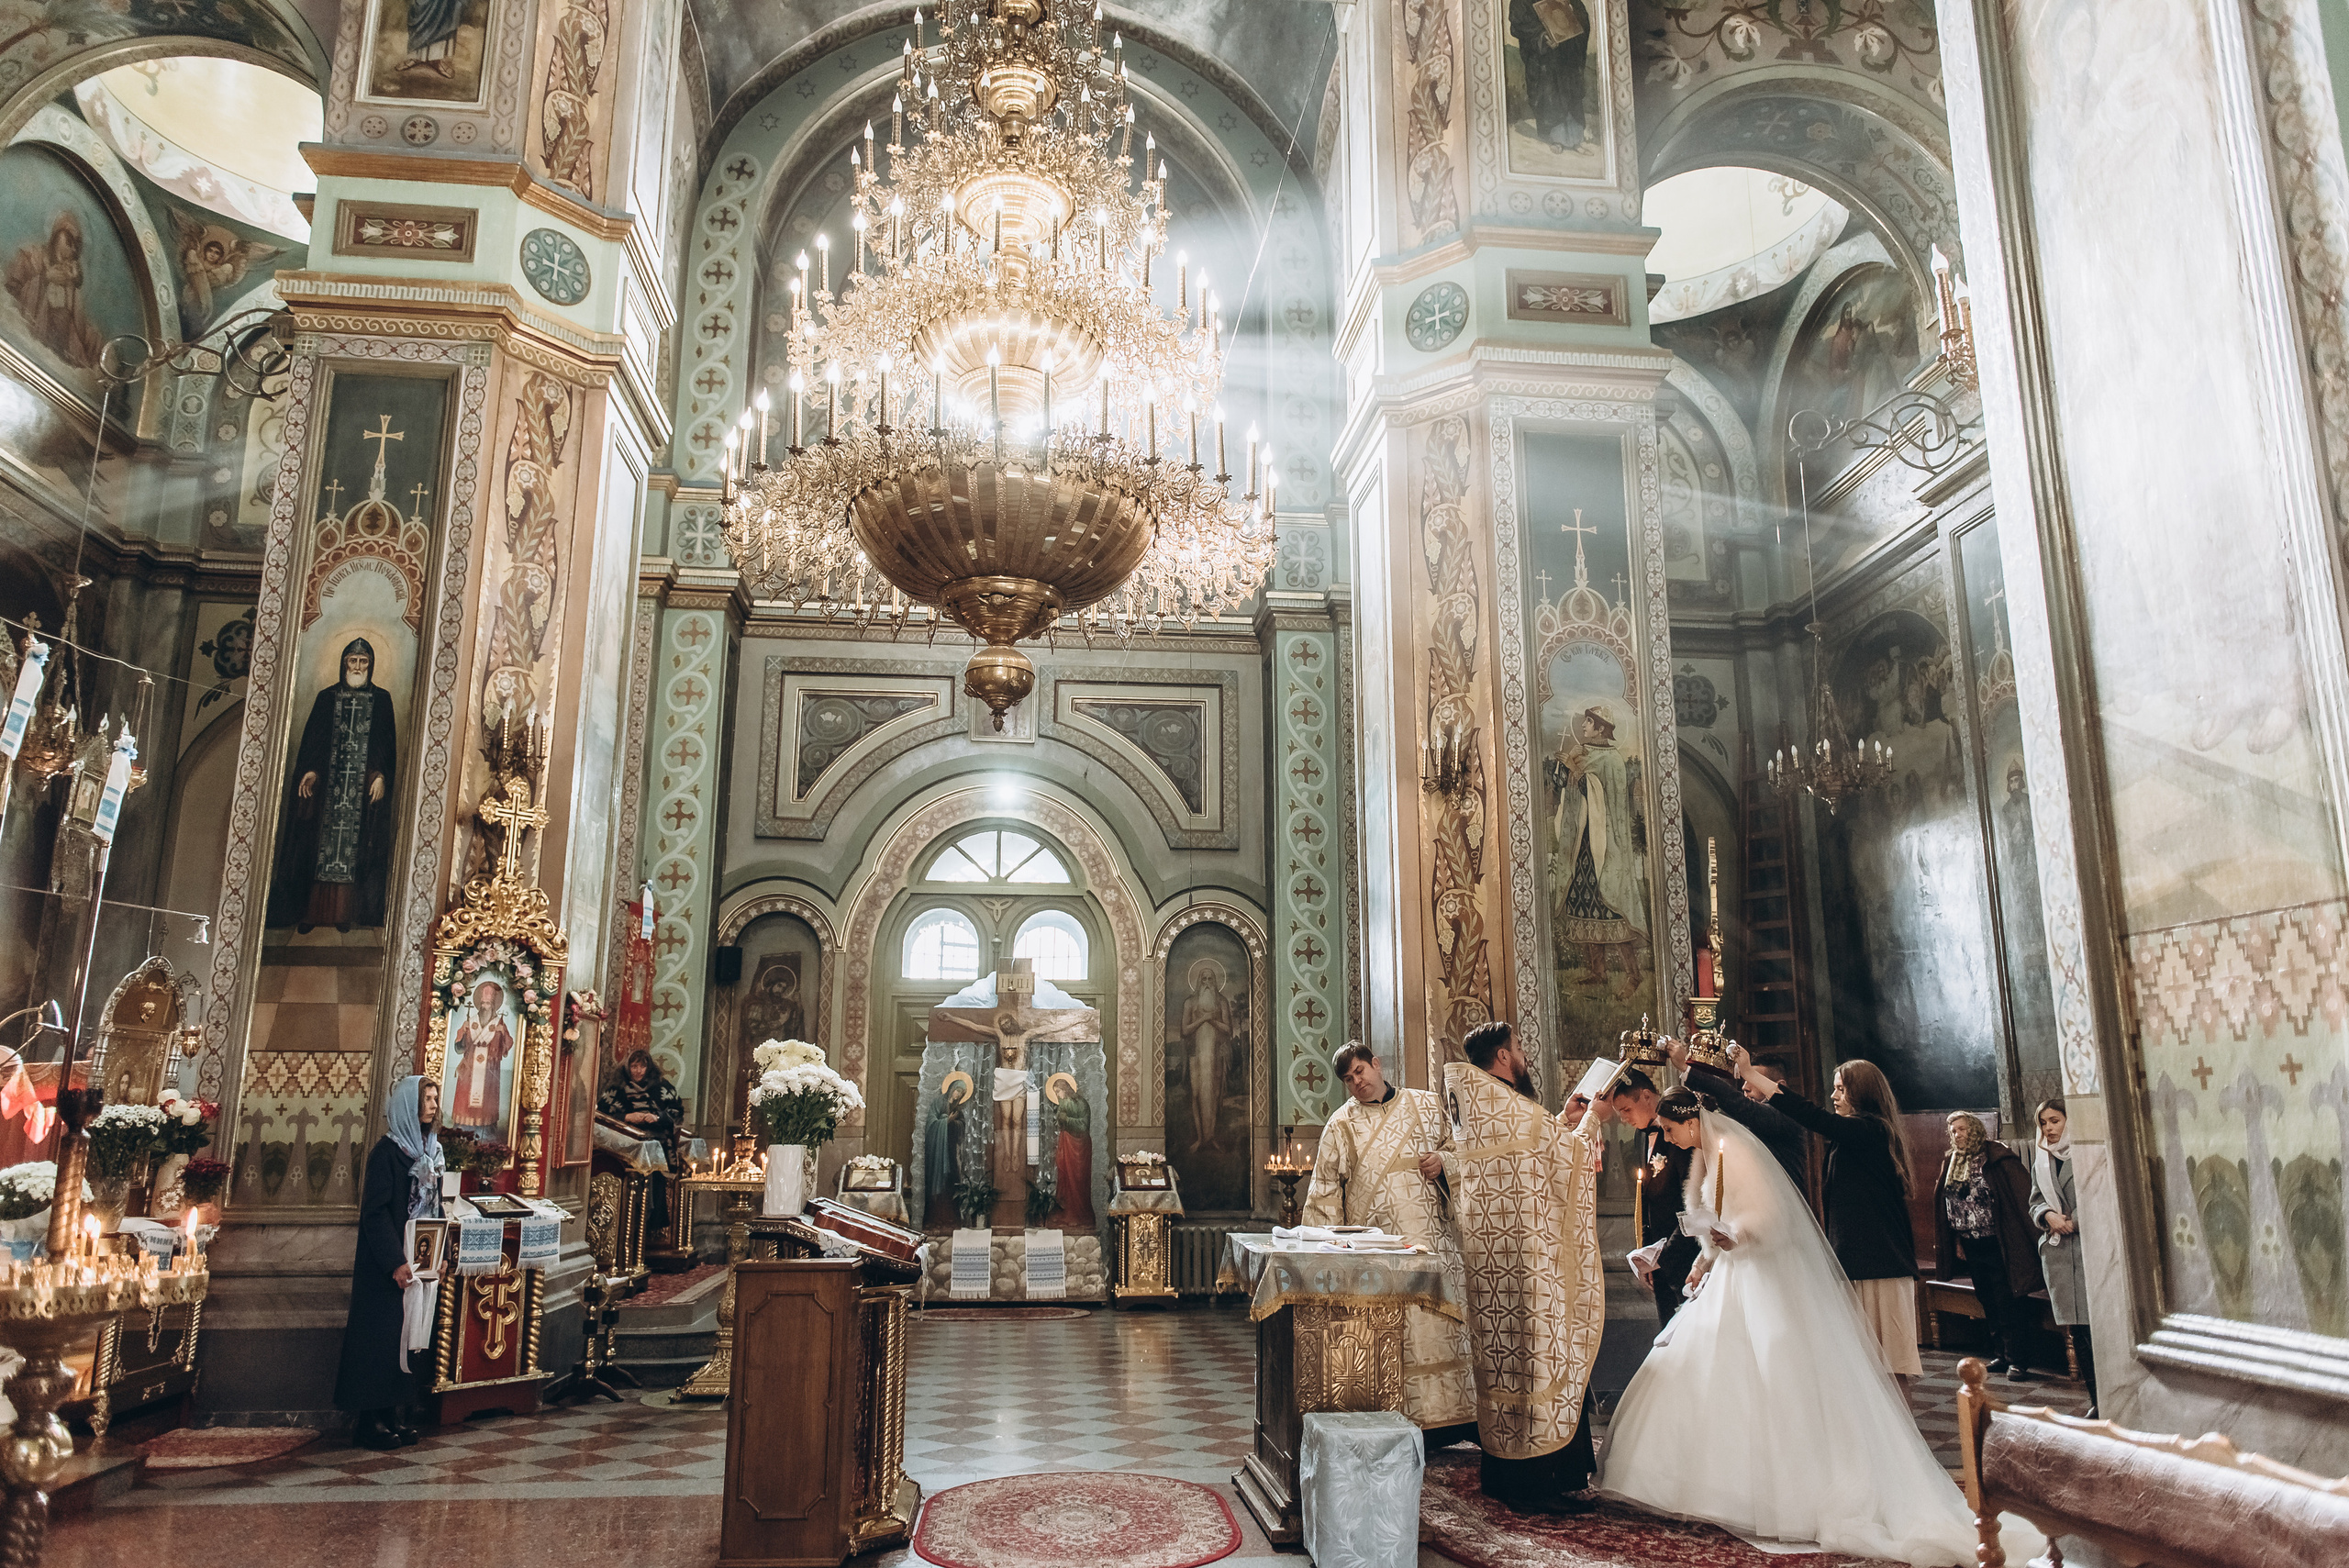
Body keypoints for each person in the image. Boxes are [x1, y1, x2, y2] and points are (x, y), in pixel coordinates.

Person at [1600, 1094, 1979, 1565]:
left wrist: (1734, 1237)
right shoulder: (1703, 1156)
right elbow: (1714, 1220)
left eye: (1672, 1129)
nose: (1669, 1138)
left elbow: (1765, 1217)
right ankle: (1707, 1486)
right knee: (1696, 1365)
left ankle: (1778, 1492)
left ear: (1692, 1121)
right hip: (1731, 1274)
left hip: (1762, 1278)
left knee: (1772, 1370)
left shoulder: (1735, 1153)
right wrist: (1704, 1259)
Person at [1444, 1020, 1608, 1515]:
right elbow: (1568, 1162)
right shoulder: (1516, 1110)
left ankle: (1506, 1475)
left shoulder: (1475, 1111)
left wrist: (1562, 1117)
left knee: (1505, 1366)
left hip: (1494, 1270)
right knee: (1541, 1356)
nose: (1524, 1056)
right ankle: (1542, 1483)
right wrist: (1593, 1119)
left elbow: (1533, 1156)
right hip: (1533, 1271)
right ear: (1500, 1058)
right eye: (1518, 1048)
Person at [1301, 1041, 1476, 1443]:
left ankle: (1456, 1420)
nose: (1357, 1082)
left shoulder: (1428, 1105)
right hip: (1379, 1256)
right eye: (1348, 1079)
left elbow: (1464, 1151)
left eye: (1360, 1071)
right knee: (1397, 1338)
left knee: (1441, 1330)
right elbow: (1326, 1194)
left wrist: (1444, 1164)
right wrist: (1333, 1255)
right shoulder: (1341, 1125)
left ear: (1376, 1065)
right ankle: (1400, 1422)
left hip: (1434, 1246)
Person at [1740, 1055, 1923, 1391]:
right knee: (1861, 1364)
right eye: (1834, 1089)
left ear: (1863, 1093)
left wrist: (1752, 1074)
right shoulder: (1851, 1135)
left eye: (1841, 1089)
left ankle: (1901, 1441)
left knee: (1890, 1367)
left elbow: (1813, 1117)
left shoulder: (1871, 1130)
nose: (1834, 1096)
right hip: (1856, 1261)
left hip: (1882, 1265)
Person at [334, 1073, 444, 1451]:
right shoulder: (387, 1152)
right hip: (386, 1267)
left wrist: (437, 1256)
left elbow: (434, 1208)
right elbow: (376, 1213)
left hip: (418, 1263)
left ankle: (394, 1413)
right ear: (407, 1106)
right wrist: (395, 1262)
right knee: (379, 1341)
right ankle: (369, 1421)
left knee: (408, 1338)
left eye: (434, 1098)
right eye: (425, 1099)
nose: (432, 1104)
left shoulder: (430, 1151)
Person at [267, 639, 398, 931]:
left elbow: (385, 747)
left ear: (371, 665)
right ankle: (311, 914)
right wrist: (311, 771)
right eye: (353, 661)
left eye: (363, 662)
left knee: (355, 851)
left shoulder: (382, 699)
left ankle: (344, 915)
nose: (358, 667)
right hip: (328, 792)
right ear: (344, 663)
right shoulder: (327, 698)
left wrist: (379, 776)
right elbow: (314, 742)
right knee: (317, 848)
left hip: (360, 793)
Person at [1933, 1111, 2043, 1383]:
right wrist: (1957, 1239)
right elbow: (1950, 1202)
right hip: (1970, 1241)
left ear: (1975, 1130)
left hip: (1998, 1240)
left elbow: (2018, 1195)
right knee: (1987, 1297)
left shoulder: (1994, 1156)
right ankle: (2001, 1353)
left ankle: (2018, 1359)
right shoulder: (1952, 1160)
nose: (1957, 1135)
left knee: (2007, 1298)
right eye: (1953, 1131)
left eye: (1962, 1129)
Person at [1606, 1067, 1698, 1326]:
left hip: (1683, 1256)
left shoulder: (1679, 1136)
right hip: (1657, 1261)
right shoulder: (1640, 1137)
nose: (1624, 1119)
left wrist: (1665, 1257)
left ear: (1646, 1096)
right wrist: (1645, 1253)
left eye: (1626, 1110)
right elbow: (1645, 1200)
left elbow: (1690, 1203)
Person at [1668, 1037, 1808, 1194]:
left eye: (1754, 1080)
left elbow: (1745, 1108)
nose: (1744, 1087)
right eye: (1744, 1079)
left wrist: (1687, 1068)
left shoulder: (1787, 1115)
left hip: (1783, 1209)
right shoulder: (1744, 1116)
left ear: (1780, 1086)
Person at [2028, 1098, 2096, 1414]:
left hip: (2088, 1250)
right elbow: (2035, 1201)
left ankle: (2109, 1397)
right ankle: (2095, 1400)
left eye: (2055, 1120)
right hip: (2059, 1252)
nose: (2049, 1128)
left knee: (2097, 1329)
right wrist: (2046, 1216)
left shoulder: (2087, 1153)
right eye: (2043, 1123)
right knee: (2078, 1331)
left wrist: (2075, 1221)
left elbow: (2099, 1193)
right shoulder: (2042, 1161)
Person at [600, 1050, 686, 1237]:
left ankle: (648, 1232)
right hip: (622, 1150)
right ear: (628, 1067)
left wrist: (657, 1117)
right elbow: (601, 1115)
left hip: (656, 1148)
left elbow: (677, 1111)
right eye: (634, 1066)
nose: (638, 1071)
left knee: (654, 1192)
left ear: (648, 1067)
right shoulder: (616, 1088)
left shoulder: (662, 1087)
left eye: (642, 1066)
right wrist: (626, 1117)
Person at [1045, 1074, 1095, 1229]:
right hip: (1066, 1144)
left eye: (1058, 1092)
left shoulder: (1081, 1103)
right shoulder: (1063, 1103)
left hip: (1080, 1146)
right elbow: (1059, 1122)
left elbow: (1083, 1125)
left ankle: (1080, 1215)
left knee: (1079, 1180)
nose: (1057, 1095)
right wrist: (1060, 1119)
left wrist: (1066, 1120)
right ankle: (1067, 1212)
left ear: (1065, 1089)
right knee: (1065, 1178)